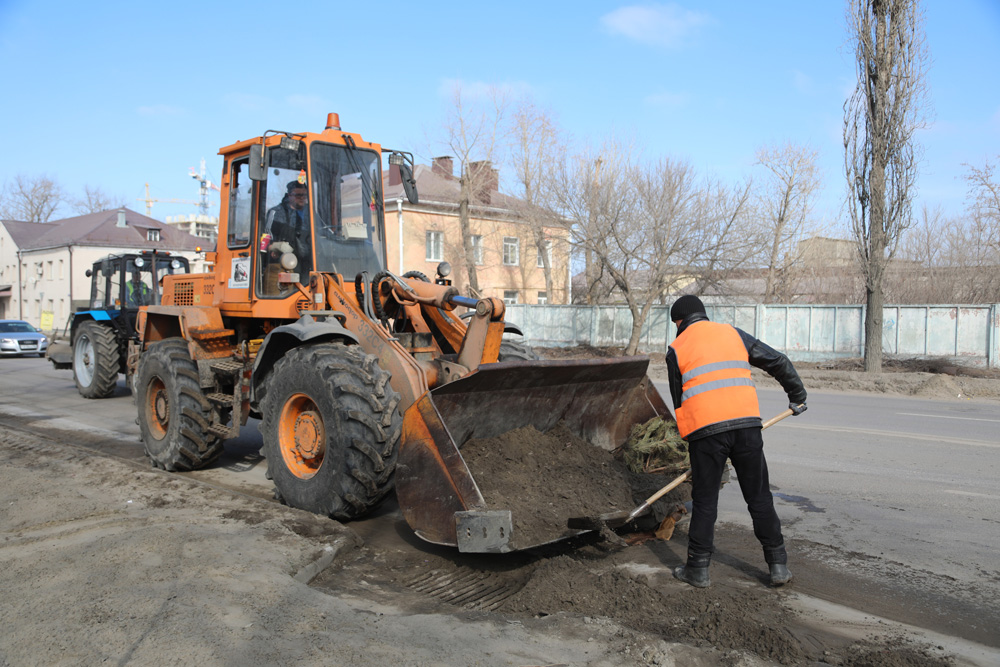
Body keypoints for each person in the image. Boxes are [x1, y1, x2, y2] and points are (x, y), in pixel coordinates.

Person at [666, 295, 807, 589]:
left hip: (706, 433)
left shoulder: (676, 348)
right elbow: (778, 360)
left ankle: (698, 569)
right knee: (759, 498)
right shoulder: (733, 334)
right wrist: (797, 396)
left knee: (705, 502)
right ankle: (778, 565)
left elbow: (679, 401)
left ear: (679, 321)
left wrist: (692, 443)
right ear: (702, 315)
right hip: (747, 427)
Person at [266, 181, 312, 272]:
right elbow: (266, 238)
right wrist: (274, 246)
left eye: (305, 195)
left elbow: (323, 230)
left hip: (310, 259)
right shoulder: (276, 213)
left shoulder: (312, 213)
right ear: (289, 195)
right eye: (298, 195)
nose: (302, 198)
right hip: (286, 261)